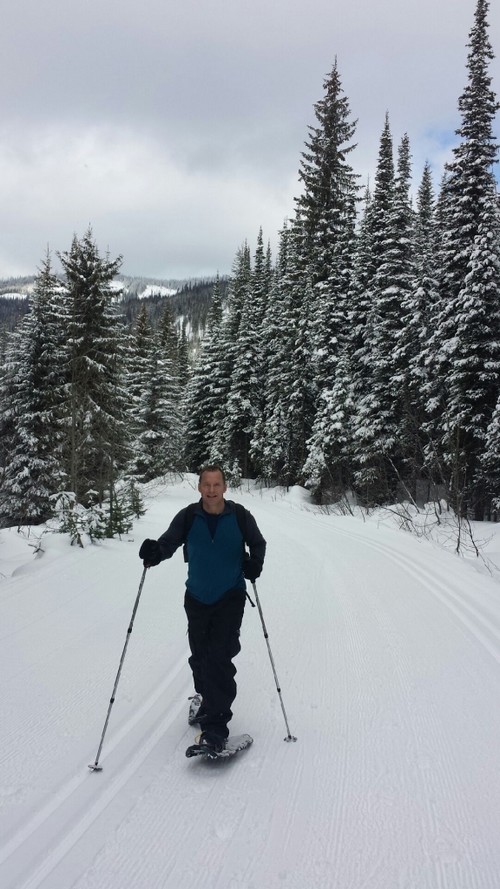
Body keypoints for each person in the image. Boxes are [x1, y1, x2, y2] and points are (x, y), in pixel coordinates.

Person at [139, 465, 266, 754]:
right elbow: (167, 543)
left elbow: (258, 544)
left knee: (219, 658)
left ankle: (215, 730)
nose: (211, 490)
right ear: (199, 487)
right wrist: (154, 554)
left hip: (230, 597)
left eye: (216, 484)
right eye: (206, 484)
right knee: (200, 657)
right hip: (196, 598)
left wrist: (254, 564)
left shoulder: (241, 516)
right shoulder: (188, 516)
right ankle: (206, 701)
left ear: (225, 487)